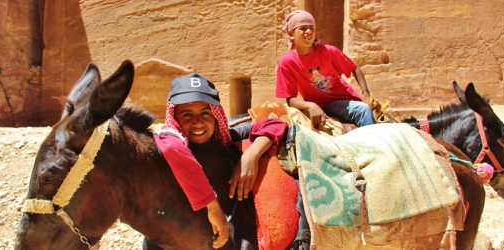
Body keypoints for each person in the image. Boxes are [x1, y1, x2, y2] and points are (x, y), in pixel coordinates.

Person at [153, 73, 288, 249]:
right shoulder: (171, 143)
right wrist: (213, 207)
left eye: (205, 113)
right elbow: (171, 147)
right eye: (187, 115)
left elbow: (276, 125)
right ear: (174, 119)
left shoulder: (225, 136)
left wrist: (251, 155)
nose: (198, 122)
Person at [275, 10, 376, 129]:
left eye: (312, 28)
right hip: (324, 105)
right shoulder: (287, 62)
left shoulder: (328, 51)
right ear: (291, 34)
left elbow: (354, 68)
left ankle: (376, 146)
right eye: (303, 28)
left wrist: (365, 94)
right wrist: (310, 106)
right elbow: (290, 99)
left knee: (363, 110)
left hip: (346, 100)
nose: (309, 31)